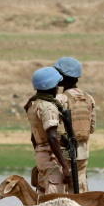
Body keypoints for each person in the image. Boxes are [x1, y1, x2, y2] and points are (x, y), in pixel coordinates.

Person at [24, 67, 72, 195]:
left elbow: (33, 137)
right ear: (51, 86)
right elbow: (52, 137)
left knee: (42, 198)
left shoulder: (32, 104)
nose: (57, 88)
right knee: (55, 200)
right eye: (56, 85)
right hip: (51, 158)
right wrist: (64, 166)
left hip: (41, 155)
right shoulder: (48, 107)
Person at [54, 56, 96, 192]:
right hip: (83, 151)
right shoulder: (88, 98)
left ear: (63, 77)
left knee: (62, 193)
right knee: (81, 191)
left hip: (65, 153)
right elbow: (92, 128)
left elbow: (55, 130)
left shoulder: (60, 99)